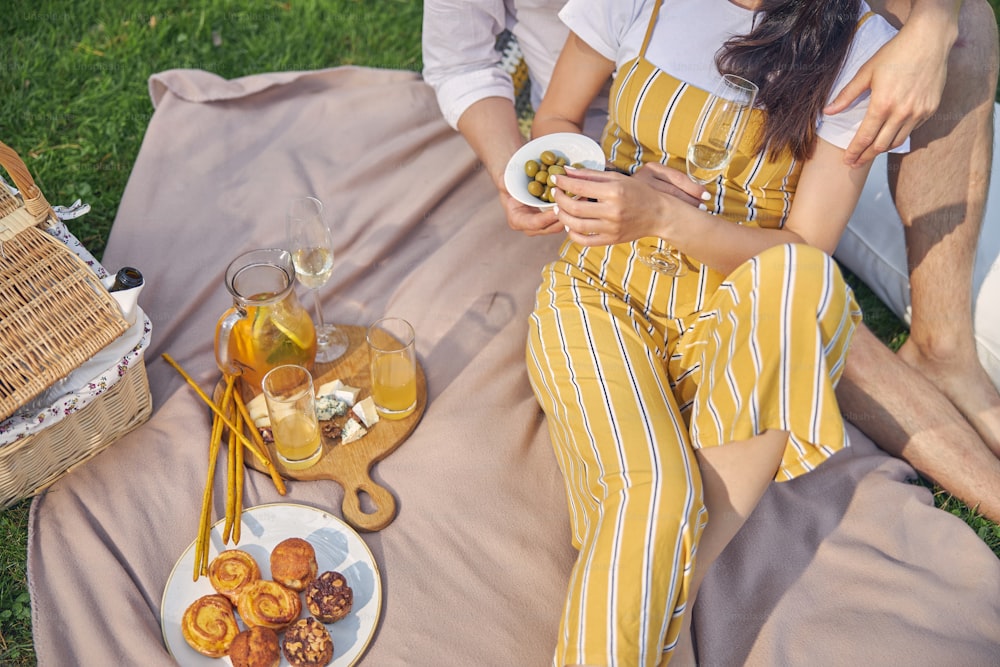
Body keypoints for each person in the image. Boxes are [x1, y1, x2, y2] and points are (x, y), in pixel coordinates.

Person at [422, 0, 1000, 522]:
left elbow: (804, 240)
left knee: (966, 24)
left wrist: (935, 21)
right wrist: (522, 173)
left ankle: (942, 345)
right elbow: (462, 66)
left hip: (786, 133)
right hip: (615, 144)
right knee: (819, 325)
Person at [522, 0, 904, 663]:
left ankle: (663, 582)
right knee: (659, 492)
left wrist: (666, 221)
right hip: (599, 293)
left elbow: (805, 246)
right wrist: (611, 183)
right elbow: (554, 120)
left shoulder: (857, 44)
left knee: (805, 280)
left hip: (730, 325)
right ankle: (665, 596)